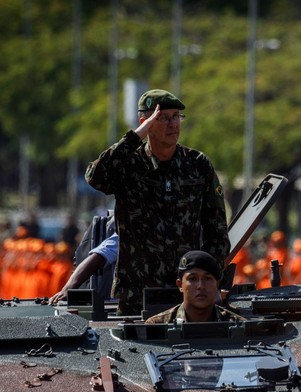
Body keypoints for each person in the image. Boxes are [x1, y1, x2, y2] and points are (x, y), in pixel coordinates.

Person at [85, 89, 229, 316]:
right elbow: (95, 177)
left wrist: (211, 281)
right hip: (137, 293)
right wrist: (135, 136)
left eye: (176, 117)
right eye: (163, 118)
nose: (173, 124)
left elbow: (217, 229)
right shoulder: (129, 164)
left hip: (186, 293)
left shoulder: (197, 164)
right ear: (146, 122)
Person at [145, 250, 226, 324]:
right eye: (193, 279)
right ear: (180, 285)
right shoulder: (158, 325)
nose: (201, 286)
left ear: (217, 285)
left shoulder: (234, 324)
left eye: (207, 278)